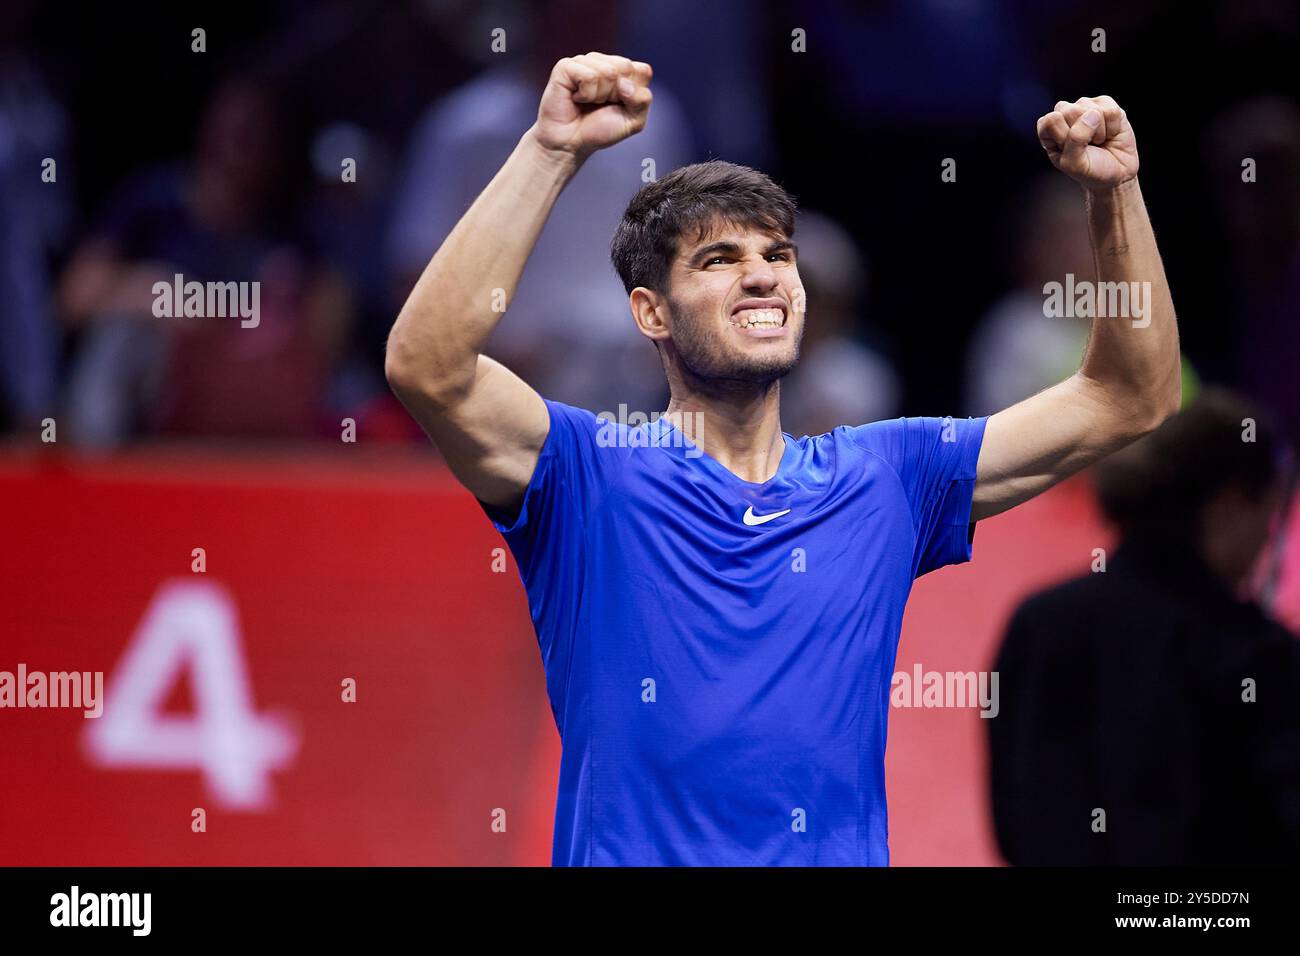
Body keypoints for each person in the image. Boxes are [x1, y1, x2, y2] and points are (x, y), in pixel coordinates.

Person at [385, 53, 1182, 866]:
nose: (763, 276)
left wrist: (1114, 194)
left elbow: (1130, 396)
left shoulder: (890, 475)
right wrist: (552, 151)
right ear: (650, 313)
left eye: (778, 255)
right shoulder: (588, 473)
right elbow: (429, 365)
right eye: (719, 260)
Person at [988, 389, 1300, 865]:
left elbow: (1020, 816)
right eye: (1270, 516)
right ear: (1231, 506)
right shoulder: (1259, 653)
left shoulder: (1043, 624)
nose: (1268, 538)